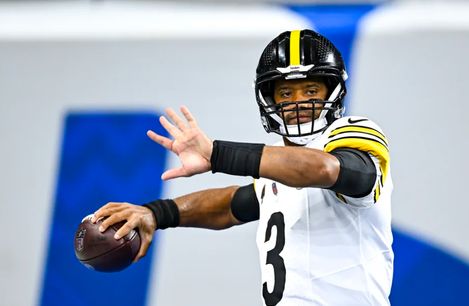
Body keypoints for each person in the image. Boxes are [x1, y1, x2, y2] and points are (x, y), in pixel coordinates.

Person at [92, 29, 393, 306]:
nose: (298, 102)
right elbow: (230, 204)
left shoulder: (353, 133)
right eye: (286, 93)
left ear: (332, 92)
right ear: (269, 100)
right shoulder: (278, 171)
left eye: (310, 90)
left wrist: (218, 154)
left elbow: (324, 170)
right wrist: (157, 213)